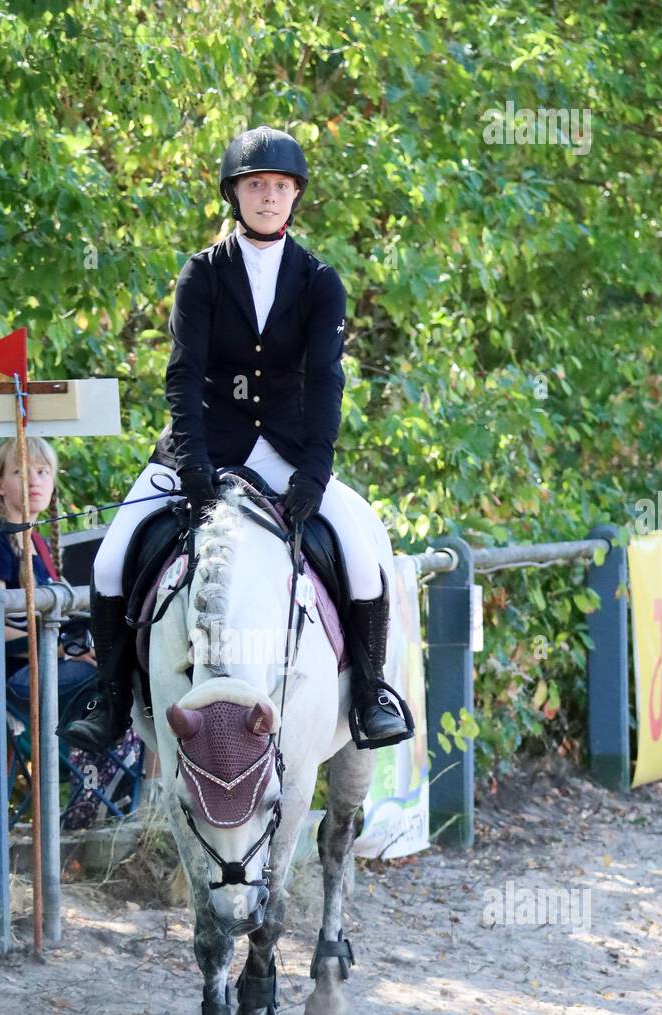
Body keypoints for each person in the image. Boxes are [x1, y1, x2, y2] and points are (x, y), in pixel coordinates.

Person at [61, 125, 414, 757]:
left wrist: (313, 471)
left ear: (295, 195)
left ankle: (369, 694)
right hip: (203, 443)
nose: (269, 197)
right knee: (113, 557)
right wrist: (193, 465)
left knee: (362, 557)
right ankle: (110, 700)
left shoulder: (319, 279)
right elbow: (183, 374)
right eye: (257, 186)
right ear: (236, 194)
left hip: (286, 446)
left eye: (280, 187)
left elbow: (327, 380)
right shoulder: (202, 274)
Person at [0, 436, 96, 704]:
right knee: (115, 676)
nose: (34, 480)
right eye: (20, 471)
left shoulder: (39, 544)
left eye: (42, 472)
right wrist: (62, 651)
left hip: (51, 662)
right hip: (11, 677)